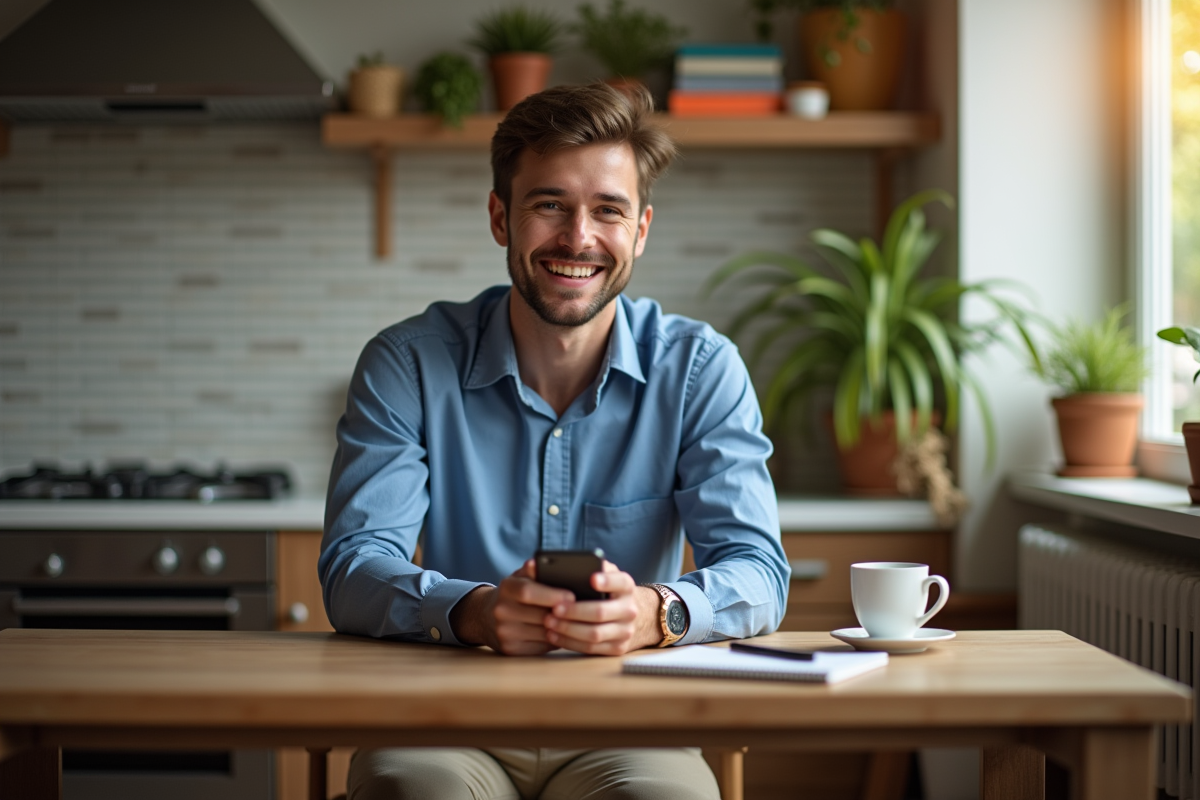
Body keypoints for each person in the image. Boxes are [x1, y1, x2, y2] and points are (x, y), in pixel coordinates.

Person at [320, 82, 790, 800]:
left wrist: (657, 613)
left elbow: (759, 570)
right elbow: (354, 567)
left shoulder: (700, 369)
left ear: (640, 229)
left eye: (608, 210)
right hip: (446, 720)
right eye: (549, 205)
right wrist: (474, 610)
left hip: (632, 726)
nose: (578, 238)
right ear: (500, 216)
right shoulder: (409, 362)